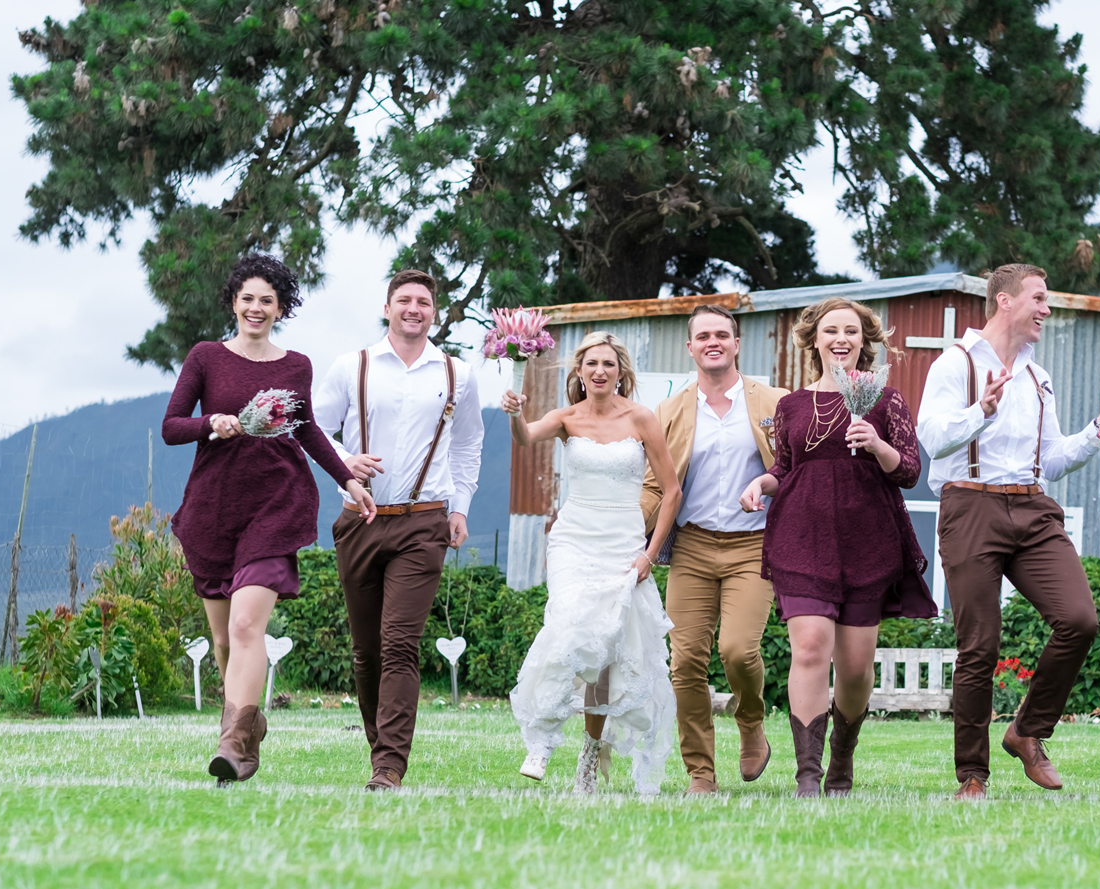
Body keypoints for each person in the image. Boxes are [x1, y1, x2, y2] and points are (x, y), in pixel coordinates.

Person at [916, 264, 1100, 800]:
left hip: (1033, 507)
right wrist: (982, 410)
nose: (1047, 309)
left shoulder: (1038, 377)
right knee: (980, 646)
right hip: (970, 505)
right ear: (1004, 302)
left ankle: (1025, 732)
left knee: (1079, 619)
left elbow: (1053, 460)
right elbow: (933, 440)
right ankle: (972, 775)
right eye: (1039, 299)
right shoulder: (954, 364)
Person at [163, 254, 376, 784]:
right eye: (248, 298)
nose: (256, 308)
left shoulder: (295, 365)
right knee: (224, 643)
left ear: (281, 308)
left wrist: (346, 477)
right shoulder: (207, 357)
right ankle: (247, 726)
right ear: (233, 303)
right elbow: (171, 426)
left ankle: (233, 745)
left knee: (245, 624)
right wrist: (211, 422)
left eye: (267, 300)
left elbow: (305, 431)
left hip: (277, 502)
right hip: (214, 506)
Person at [738, 297, 935, 797]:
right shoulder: (791, 406)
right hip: (801, 538)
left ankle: (840, 762)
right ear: (815, 341)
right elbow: (786, 469)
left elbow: (910, 472)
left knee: (853, 667)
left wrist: (878, 444)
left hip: (867, 542)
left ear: (864, 342)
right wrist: (762, 484)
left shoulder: (886, 401)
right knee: (808, 650)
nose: (841, 339)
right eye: (831, 331)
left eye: (851, 331)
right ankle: (807, 776)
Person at [312, 269, 484, 791]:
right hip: (360, 519)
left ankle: (390, 766)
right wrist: (345, 463)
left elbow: (467, 444)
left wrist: (460, 507)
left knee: (399, 645)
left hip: (424, 522)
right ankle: (378, 749)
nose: (414, 309)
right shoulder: (353, 366)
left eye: (424, 302)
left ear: (435, 312)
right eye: (404, 300)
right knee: (366, 651)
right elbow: (312, 429)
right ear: (387, 308)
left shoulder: (457, 373)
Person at [504, 331, 683, 794]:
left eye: (608, 364)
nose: (599, 371)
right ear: (579, 374)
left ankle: (590, 752)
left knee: (606, 656)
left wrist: (649, 553)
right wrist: (514, 412)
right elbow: (524, 438)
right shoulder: (565, 418)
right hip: (574, 540)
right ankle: (542, 740)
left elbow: (671, 491)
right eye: (591, 365)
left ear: (620, 372)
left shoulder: (641, 418)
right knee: (567, 626)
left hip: (624, 544)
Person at [640, 305, 787, 795]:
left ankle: (751, 722)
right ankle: (701, 772)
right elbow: (655, 486)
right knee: (684, 663)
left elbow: (792, 471)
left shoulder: (774, 403)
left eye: (722, 334)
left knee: (738, 651)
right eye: (703, 336)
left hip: (754, 546)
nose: (713, 342)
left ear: (737, 343)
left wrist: (765, 488)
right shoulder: (669, 411)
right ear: (690, 347)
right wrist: (623, 533)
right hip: (694, 547)